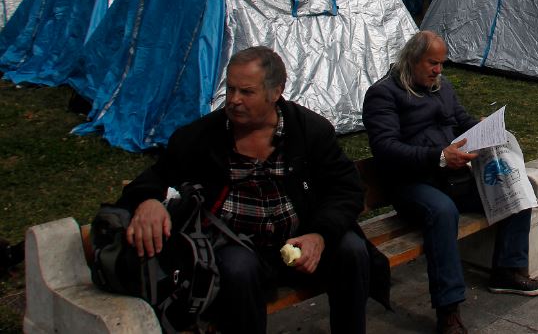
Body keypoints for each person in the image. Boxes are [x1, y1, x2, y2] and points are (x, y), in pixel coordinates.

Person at [116, 47, 381, 334]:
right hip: (239, 247)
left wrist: (319, 234)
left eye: (246, 92)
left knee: (351, 249)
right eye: (230, 89)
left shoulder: (308, 130)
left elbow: (346, 188)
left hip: (300, 241)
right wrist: (148, 201)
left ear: (275, 92)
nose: (234, 100)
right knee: (237, 268)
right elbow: (155, 177)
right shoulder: (202, 137)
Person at [364, 33, 538, 334]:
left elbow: (461, 120)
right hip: (412, 183)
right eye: (432, 63)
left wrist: (484, 128)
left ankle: (506, 271)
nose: (438, 70)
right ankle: (448, 311)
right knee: (443, 212)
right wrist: (438, 156)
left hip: (453, 178)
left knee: (515, 186)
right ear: (412, 59)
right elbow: (386, 148)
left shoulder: (442, 87)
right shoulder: (383, 94)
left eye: (442, 64)